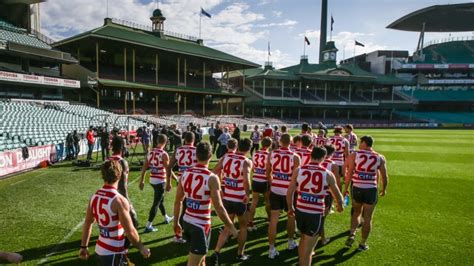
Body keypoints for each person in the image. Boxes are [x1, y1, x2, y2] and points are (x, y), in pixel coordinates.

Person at [173, 142, 238, 266]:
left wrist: (176, 222)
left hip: (187, 221)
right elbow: (218, 207)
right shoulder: (212, 178)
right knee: (194, 262)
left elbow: (178, 201)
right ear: (211, 156)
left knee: (201, 258)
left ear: (196, 155)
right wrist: (231, 227)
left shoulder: (185, 174)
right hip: (201, 225)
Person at [79, 160, 150, 264]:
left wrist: (84, 246)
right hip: (114, 252)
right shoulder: (119, 200)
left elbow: (88, 223)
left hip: (99, 250)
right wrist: (141, 247)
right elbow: (130, 231)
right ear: (120, 175)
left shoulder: (94, 196)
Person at [286, 147, 344, 266]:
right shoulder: (327, 174)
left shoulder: (298, 170)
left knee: (303, 239)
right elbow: (337, 194)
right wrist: (340, 205)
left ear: (311, 155)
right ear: (324, 157)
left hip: (300, 210)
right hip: (315, 213)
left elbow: (290, 191)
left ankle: (301, 262)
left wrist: (290, 207)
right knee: (309, 250)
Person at [343, 136, 389, 251]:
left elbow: (349, 174)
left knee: (356, 212)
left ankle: (352, 233)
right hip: (371, 189)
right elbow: (384, 176)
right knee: (368, 217)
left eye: (360, 142)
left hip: (357, 187)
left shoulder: (354, 155)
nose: (359, 143)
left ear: (364, 143)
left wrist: (345, 189)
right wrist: (384, 189)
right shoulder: (380, 157)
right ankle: (362, 244)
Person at [212, 138, 253, 263]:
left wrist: (220, 187)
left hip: (227, 197)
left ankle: (217, 251)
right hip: (239, 198)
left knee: (227, 226)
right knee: (243, 226)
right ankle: (240, 253)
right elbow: (246, 179)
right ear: (249, 149)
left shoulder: (226, 157)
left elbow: (214, 172)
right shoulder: (246, 161)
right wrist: (247, 194)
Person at [267, 133, 301, 259]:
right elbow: (297, 176)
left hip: (276, 189)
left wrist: (272, 183)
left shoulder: (272, 153)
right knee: (291, 217)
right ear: (291, 142)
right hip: (289, 191)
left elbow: (268, 172)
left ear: (280, 141)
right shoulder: (295, 156)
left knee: (273, 221)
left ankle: (271, 248)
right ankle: (291, 242)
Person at [139, 134, 174, 233]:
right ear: (166, 142)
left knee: (160, 200)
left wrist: (142, 180)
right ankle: (148, 225)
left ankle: (166, 217)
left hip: (152, 180)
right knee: (156, 202)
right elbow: (168, 170)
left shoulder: (150, 152)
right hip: (160, 181)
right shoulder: (163, 154)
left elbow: (144, 167)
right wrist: (169, 183)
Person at [166, 132, 197, 243]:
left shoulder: (178, 150)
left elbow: (169, 167)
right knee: (189, 208)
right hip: (193, 182)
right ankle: (184, 233)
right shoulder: (196, 150)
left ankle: (180, 233)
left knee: (181, 205)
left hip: (182, 181)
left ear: (184, 139)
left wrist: (169, 182)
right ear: (194, 139)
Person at [107, 136, 139, 232]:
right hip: (118, 197)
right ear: (121, 147)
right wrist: (129, 204)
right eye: (125, 144)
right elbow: (122, 187)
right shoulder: (122, 162)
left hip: (108, 197)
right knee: (134, 223)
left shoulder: (107, 160)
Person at [248, 137, 272, 231]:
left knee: (254, 202)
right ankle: (270, 219)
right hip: (265, 180)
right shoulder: (269, 154)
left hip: (256, 179)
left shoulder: (255, 153)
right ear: (269, 145)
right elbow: (270, 170)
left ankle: (250, 222)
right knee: (267, 201)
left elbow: (253, 168)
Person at [319, 144, 341, 244]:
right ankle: (322, 238)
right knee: (322, 217)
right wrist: (339, 195)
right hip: (327, 193)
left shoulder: (316, 161)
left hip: (313, 191)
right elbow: (336, 182)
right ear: (332, 153)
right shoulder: (333, 165)